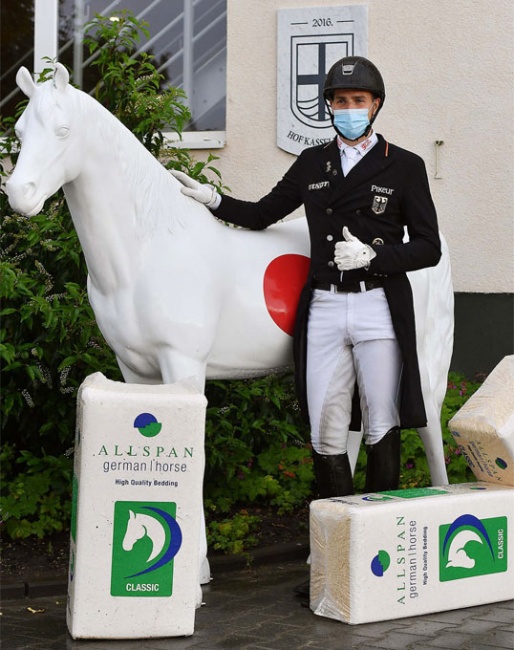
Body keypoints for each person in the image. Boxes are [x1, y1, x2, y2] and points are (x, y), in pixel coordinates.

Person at [172, 55, 441, 500]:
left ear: (375, 105)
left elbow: (428, 247)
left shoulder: (405, 166)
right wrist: (212, 198)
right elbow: (262, 214)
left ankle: (375, 530)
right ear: (329, 107)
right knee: (325, 423)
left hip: (378, 303)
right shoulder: (312, 162)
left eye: (358, 99)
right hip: (326, 305)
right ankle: (335, 530)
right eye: (340, 100)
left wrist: (373, 256)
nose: (349, 108)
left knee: (381, 420)